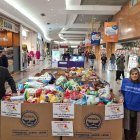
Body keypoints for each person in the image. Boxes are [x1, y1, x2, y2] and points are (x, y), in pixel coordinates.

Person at [121, 68, 140, 140]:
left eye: (136, 74)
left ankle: (133, 137)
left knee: (136, 125)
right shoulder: (125, 81)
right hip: (127, 106)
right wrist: (121, 96)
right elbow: (121, 92)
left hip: (138, 108)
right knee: (127, 125)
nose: (134, 75)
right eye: (132, 74)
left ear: (138, 74)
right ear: (130, 75)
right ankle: (127, 138)